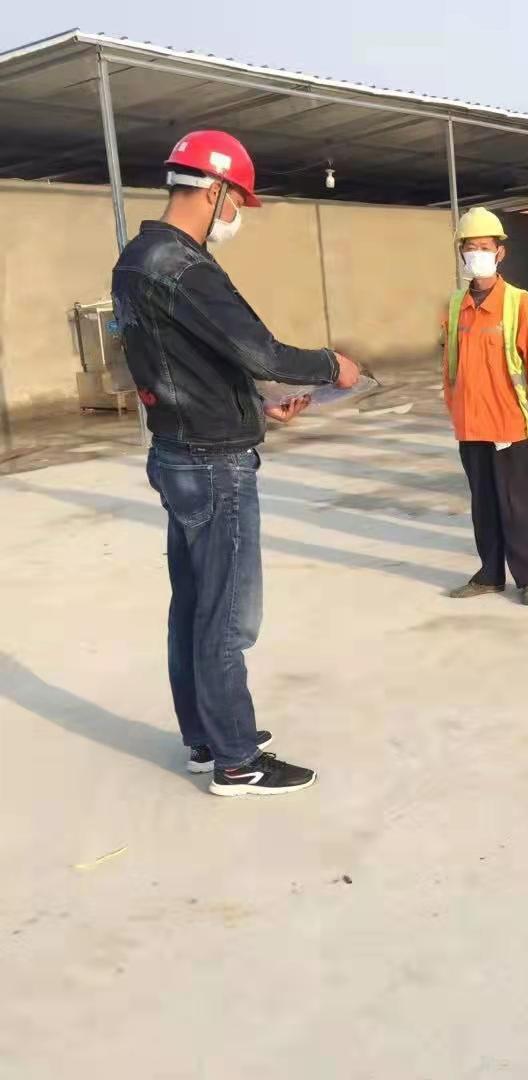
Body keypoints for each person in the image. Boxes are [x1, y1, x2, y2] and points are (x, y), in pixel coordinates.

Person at [112, 130, 361, 797]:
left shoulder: (136, 260)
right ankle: (237, 760)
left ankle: (206, 736)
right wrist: (330, 365)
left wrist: (256, 405)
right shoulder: (182, 266)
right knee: (227, 616)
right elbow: (260, 351)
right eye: (238, 201)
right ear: (216, 188)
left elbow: (193, 362)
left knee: (194, 604)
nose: (237, 214)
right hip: (214, 464)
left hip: (178, 451)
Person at [443, 206, 528, 608]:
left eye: (484, 247)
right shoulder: (456, 305)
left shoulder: (519, 303)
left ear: (500, 252)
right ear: (461, 252)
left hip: (509, 426)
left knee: (518, 507)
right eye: (469, 247)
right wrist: (456, 411)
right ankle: (489, 575)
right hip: (471, 426)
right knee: (484, 506)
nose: (476, 254)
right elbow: (450, 366)